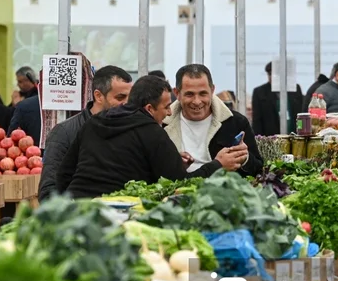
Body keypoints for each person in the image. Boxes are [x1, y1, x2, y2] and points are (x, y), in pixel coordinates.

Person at [56, 75, 246, 198]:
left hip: (77, 205)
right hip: (119, 211)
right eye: (165, 107)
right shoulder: (151, 131)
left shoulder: (93, 123)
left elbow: (65, 172)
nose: (169, 113)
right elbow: (179, 183)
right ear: (149, 109)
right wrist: (219, 164)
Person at [39, 66, 133, 202]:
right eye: (120, 97)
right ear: (98, 96)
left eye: (130, 97)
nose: (126, 103)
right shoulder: (64, 133)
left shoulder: (130, 130)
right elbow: (48, 191)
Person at [163, 64, 263, 177]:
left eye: (203, 94)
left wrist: (245, 158)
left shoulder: (236, 122)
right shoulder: (161, 124)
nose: (197, 101)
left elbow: (258, 169)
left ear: (212, 90)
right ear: (177, 93)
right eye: (190, 94)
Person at [251, 62, 304, 135]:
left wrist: (301, 132)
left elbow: (301, 114)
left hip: (294, 136)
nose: (272, 77)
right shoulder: (260, 92)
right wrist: (259, 140)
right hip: (272, 138)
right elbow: (257, 120)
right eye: (269, 74)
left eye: (275, 75)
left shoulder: (294, 89)